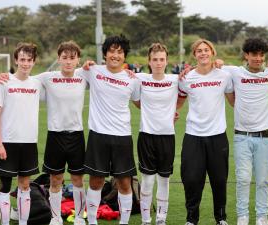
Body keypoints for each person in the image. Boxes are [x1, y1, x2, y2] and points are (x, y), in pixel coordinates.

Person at [0, 41, 88, 225]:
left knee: (78, 179)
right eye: (64, 58)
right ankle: (55, 218)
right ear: (59, 59)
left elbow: (108, 72)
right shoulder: (46, 77)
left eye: (72, 58)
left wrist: (94, 66)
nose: (68, 61)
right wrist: (5, 76)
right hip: (55, 136)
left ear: (78, 60)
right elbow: (23, 76)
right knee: (56, 179)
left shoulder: (85, 75)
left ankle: (79, 217)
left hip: (77, 135)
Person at [77, 34, 140, 225]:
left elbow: (140, 104)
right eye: (112, 51)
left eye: (120, 52)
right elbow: (67, 73)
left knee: (124, 183)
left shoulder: (133, 79)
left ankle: (124, 222)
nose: (115, 55)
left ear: (124, 56)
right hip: (98, 135)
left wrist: (169, 113)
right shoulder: (92, 71)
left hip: (122, 137)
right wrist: (84, 65)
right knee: (96, 181)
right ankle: (93, 221)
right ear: (104, 54)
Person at [219, 38, 268, 225]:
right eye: (254, 54)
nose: (258, 58)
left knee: (263, 181)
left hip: (264, 138)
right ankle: (242, 216)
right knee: (243, 179)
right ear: (246, 55)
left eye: (262, 55)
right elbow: (211, 66)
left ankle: (262, 216)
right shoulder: (234, 72)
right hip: (241, 137)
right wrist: (217, 63)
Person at [177, 39, 234, 225]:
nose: (203, 53)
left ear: (212, 52)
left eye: (206, 50)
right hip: (193, 136)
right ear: (194, 55)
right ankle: (191, 219)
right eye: (199, 51)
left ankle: (221, 218)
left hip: (217, 137)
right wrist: (173, 111)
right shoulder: (187, 78)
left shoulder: (223, 76)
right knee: (192, 180)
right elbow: (179, 99)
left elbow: (233, 101)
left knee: (219, 180)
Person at [0, 42, 42, 225]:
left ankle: (23, 222)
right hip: (7, 142)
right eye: (22, 59)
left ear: (34, 62)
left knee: (25, 185)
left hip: (29, 142)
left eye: (29, 60)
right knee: (5, 186)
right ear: (16, 60)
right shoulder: (5, 82)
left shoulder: (37, 83)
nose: (26, 63)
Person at [134, 43, 179, 225]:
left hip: (167, 137)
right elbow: (137, 102)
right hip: (146, 136)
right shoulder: (139, 79)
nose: (158, 63)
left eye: (162, 59)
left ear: (167, 61)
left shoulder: (176, 79)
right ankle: (146, 219)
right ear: (149, 61)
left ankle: (161, 219)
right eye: (155, 60)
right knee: (147, 181)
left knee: (164, 180)